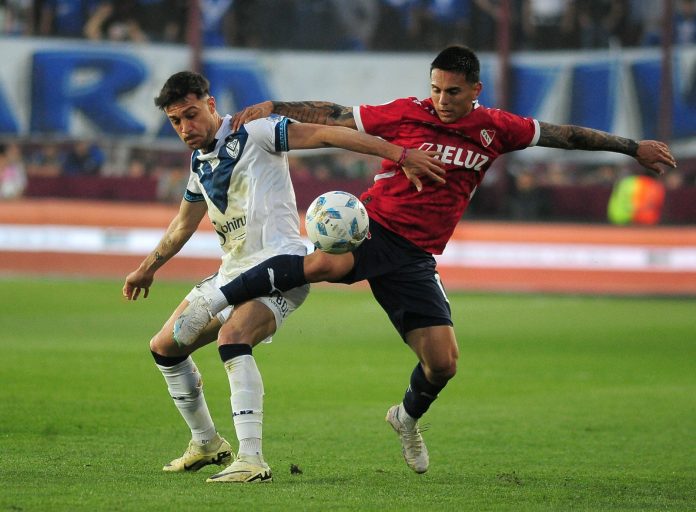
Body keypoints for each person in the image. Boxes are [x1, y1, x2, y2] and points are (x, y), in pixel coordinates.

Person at [173, 45, 676, 475]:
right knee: (325, 264)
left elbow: (564, 136)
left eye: (451, 92)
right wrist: (275, 105)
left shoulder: (497, 128)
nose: (440, 100)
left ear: (474, 89)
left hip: (415, 257)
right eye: (435, 89)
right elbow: (336, 115)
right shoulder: (406, 112)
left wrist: (632, 147)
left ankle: (406, 419)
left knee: (443, 364)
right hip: (374, 226)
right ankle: (217, 296)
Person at [122, 71, 443, 484]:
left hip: (281, 269)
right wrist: (147, 268)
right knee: (165, 348)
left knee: (232, 337)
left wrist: (399, 155)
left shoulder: (255, 131)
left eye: (191, 114)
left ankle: (252, 460)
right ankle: (205, 442)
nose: (185, 128)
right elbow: (183, 225)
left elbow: (327, 135)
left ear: (211, 104)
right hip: (231, 273)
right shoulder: (199, 162)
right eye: (175, 121)